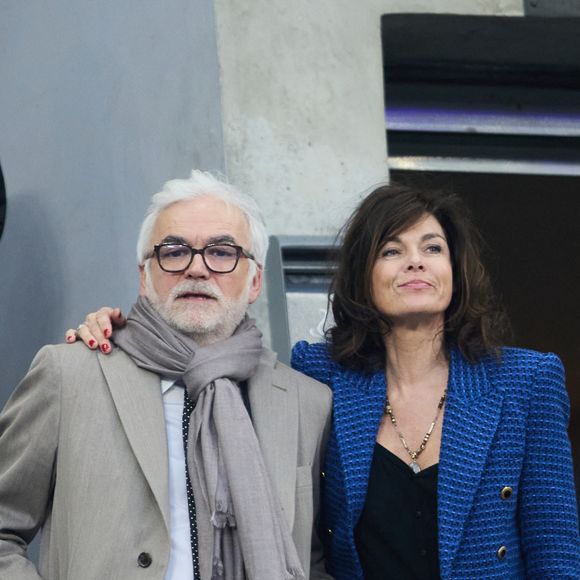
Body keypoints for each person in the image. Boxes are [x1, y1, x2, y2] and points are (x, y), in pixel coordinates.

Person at [77, 182, 580, 579]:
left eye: (433, 247)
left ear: (455, 270)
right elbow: (212, 366)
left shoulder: (525, 381)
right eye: (391, 250)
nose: (415, 261)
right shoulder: (318, 375)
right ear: (364, 274)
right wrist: (125, 331)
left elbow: (555, 549)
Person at [0, 170, 333, 580]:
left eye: (222, 251)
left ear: (254, 281)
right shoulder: (69, 375)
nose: (197, 269)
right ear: (144, 275)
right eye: (174, 252)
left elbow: (315, 559)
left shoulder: (306, 402)